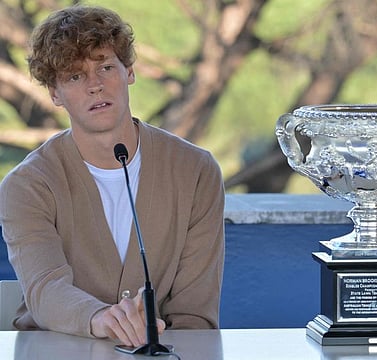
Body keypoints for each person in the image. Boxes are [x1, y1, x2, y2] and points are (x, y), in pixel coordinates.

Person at [0, 5, 225, 348]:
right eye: (75, 76)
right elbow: (45, 289)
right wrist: (101, 318)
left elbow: (194, 314)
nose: (95, 86)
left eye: (106, 67)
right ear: (54, 93)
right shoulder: (26, 186)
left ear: (129, 72)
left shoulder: (196, 172)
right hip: (54, 353)